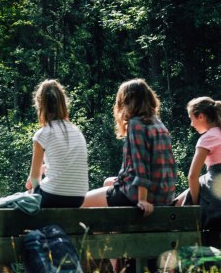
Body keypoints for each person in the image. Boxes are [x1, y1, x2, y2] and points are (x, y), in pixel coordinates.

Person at [82, 78, 176, 215]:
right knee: (108, 182)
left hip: (140, 195)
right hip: (164, 194)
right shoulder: (159, 124)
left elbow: (141, 166)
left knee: (82, 203)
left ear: (127, 101)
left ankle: (107, 234)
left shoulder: (136, 124)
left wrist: (142, 200)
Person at [25, 79, 89, 208]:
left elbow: (34, 178)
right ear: (63, 103)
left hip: (52, 197)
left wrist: (35, 193)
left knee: (26, 196)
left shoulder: (43, 134)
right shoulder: (77, 131)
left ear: (40, 105)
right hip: (79, 197)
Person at [174, 97, 221, 248]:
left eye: (191, 118)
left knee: (175, 209)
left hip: (214, 187)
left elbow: (192, 175)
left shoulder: (207, 138)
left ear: (201, 116)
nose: (191, 124)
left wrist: (194, 203)